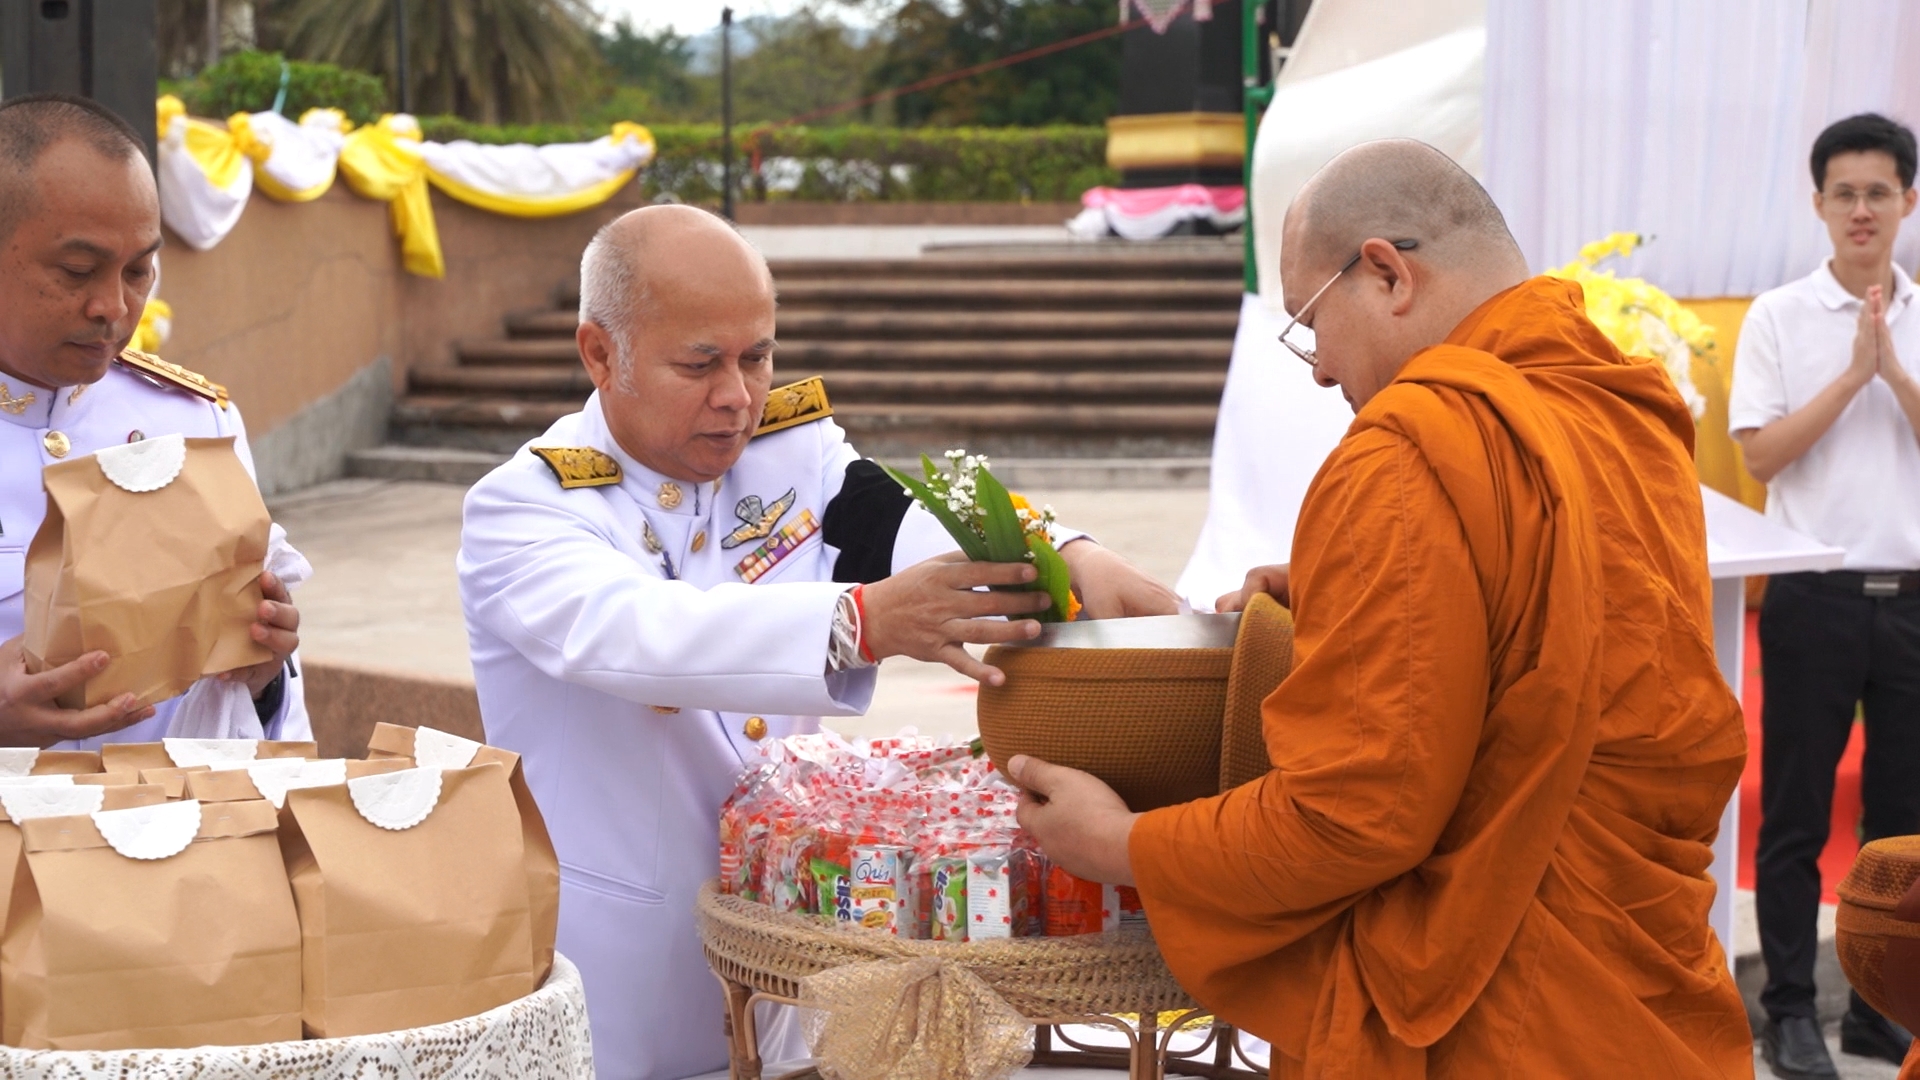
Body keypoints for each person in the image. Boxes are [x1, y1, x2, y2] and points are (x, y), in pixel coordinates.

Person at [1010, 139, 1753, 1077]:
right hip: (1644, 981)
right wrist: (1332, 591)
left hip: (1502, 1007)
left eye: (1309, 324)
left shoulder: (1411, 450)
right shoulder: (1625, 414)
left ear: (1387, 274)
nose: (1318, 370)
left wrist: (1121, 845)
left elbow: (1356, 816)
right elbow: (1572, 641)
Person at [457, 204, 1177, 1080]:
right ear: (600, 354)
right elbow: (638, 634)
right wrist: (859, 623)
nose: (738, 395)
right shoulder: (525, 505)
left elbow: (903, 524)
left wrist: (1067, 555)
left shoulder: (789, 451)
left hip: (794, 953)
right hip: (624, 981)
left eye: (758, 356)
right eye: (701, 363)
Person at [0, 92, 304, 747]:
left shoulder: (197, 425)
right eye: (78, 271)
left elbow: (267, 725)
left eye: (140, 271)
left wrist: (266, 674)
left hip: (171, 840)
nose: (113, 306)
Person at [1730, 112, 1920, 1079]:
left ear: (1908, 201)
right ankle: (1792, 1008)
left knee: (1898, 827)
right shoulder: (1778, 316)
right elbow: (1758, 452)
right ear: (1817, 204)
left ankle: (1882, 1012)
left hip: (1916, 601)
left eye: (1877, 192)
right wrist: (1855, 377)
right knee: (1798, 816)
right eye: (1842, 193)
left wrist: (1897, 368)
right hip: (1816, 592)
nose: (1860, 210)